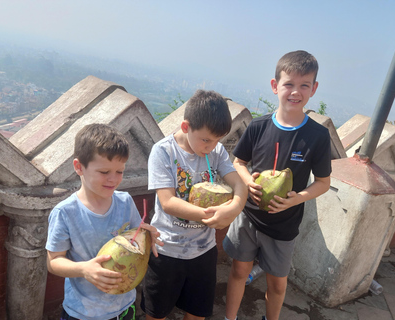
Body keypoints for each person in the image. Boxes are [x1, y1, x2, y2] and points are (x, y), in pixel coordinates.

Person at [223, 50, 332, 320]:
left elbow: (323, 182)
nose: (296, 92)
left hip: (284, 225)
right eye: (289, 84)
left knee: (278, 284)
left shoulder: (317, 136)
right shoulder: (259, 127)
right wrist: (250, 182)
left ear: (314, 89)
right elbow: (238, 162)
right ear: (275, 86)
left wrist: (297, 198)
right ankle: (229, 317)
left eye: (304, 85)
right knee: (238, 271)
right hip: (249, 215)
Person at [140, 89, 248, 320]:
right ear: (186, 127)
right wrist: (209, 215)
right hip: (166, 249)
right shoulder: (164, 152)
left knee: (198, 313)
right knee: (156, 314)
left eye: (217, 140)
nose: (211, 146)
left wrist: (235, 207)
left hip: (204, 251)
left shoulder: (216, 151)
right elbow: (167, 202)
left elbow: (239, 185)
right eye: (206, 139)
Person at [46, 123, 163, 320]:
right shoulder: (65, 212)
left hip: (125, 307)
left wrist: (147, 236)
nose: (113, 179)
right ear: (79, 167)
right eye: (104, 172)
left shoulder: (125, 202)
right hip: (83, 312)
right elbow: (54, 261)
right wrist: (84, 269)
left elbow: (135, 238)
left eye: (120, 171)